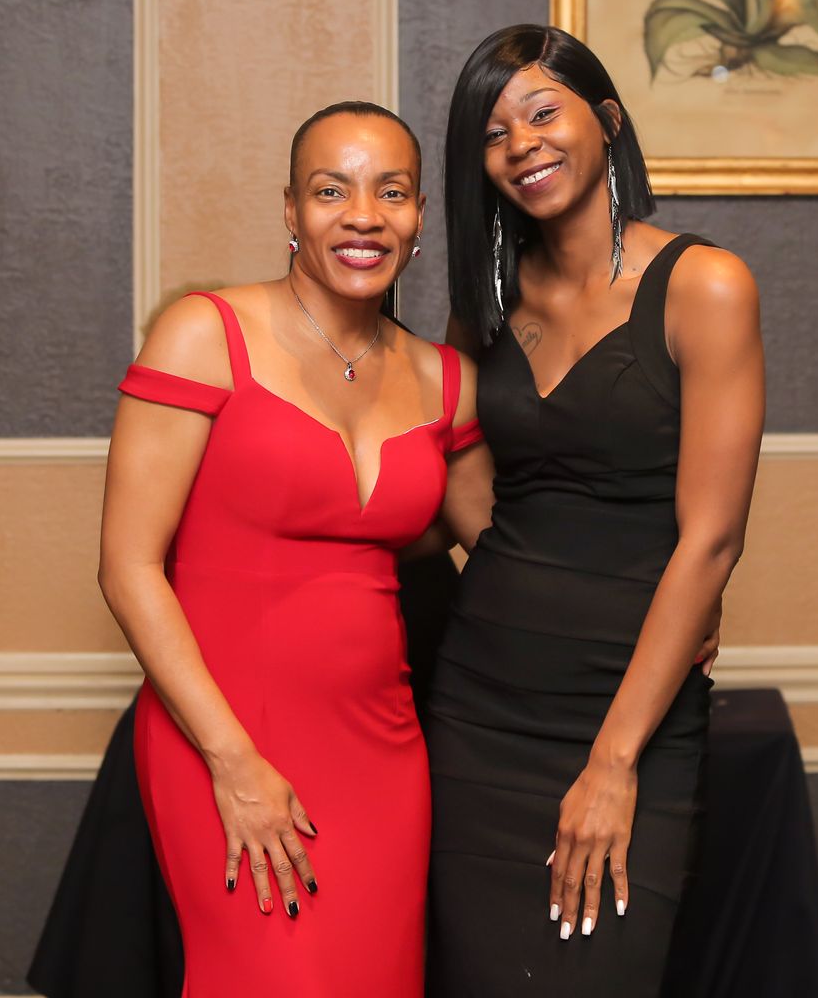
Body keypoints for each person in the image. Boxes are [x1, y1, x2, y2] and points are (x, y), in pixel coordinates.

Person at [96, 101, 482, 998]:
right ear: (290, 210)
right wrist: (233, 764)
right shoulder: (205, 333)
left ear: (420, 215)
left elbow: (511, 547)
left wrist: (675, 603)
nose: (363, 216)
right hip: (223, 740)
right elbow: (127, 567)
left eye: (391, 192)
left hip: (382, 752)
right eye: (331, 191)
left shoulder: (444, 380)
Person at [423, 24, 765, 994]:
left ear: (606, 119)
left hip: (630, 714)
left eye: (543, 112)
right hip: (481, 703)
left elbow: (713, 538)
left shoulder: (705, 286)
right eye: (494, 132)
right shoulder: (486, 297)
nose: (521, 144)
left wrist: (614, 762)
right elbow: (451, 458)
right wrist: (532, 573)